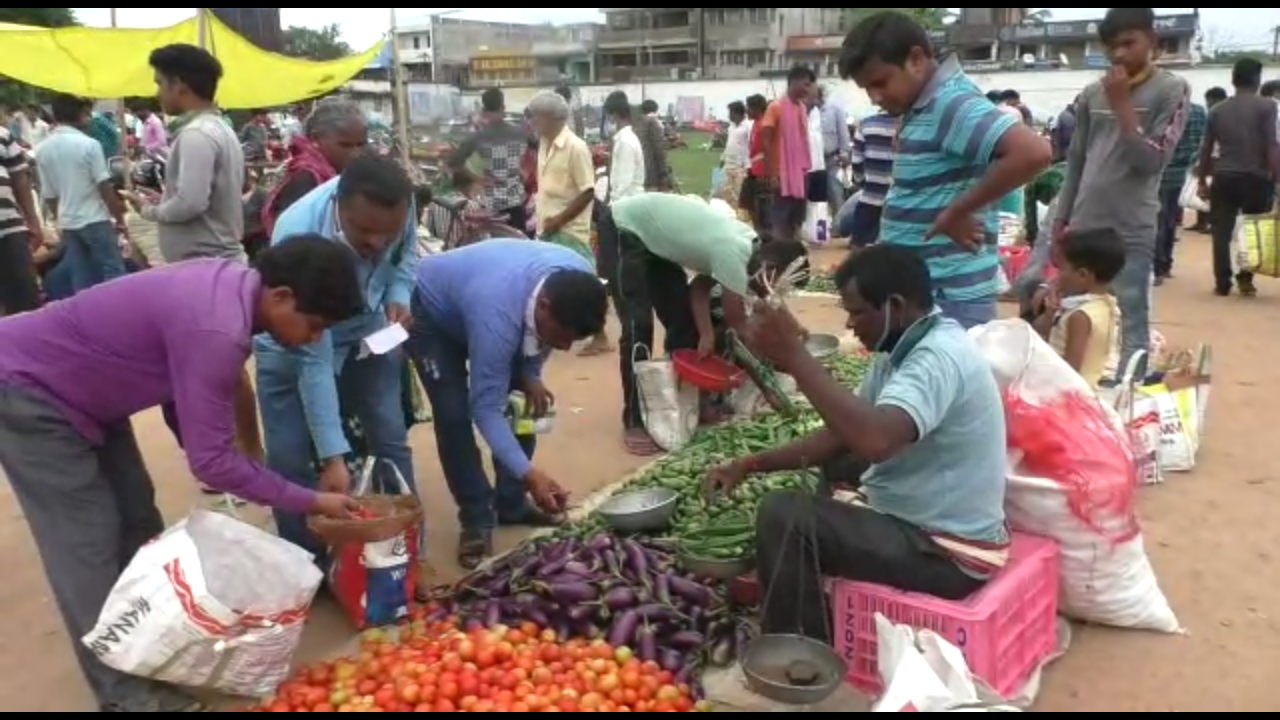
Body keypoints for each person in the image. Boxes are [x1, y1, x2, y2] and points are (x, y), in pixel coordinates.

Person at [0, 236, 364, 712]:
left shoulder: (232, 289)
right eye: (314, 326)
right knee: (87, 544)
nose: (314, 339)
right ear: (281, 297)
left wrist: (226, 452)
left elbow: (194, 390)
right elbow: (211, 462)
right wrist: (311, 501)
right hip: (30, 389)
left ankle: (150, 654)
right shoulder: (218, 329)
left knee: (138, 520)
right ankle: (126, 696)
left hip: (90, 394)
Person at [706, 244, 1007, 642]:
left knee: (784, 517)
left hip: (948, 554)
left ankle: (797, 651)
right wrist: (750, 464)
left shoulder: (937, 359)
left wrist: (795, 356)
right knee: (838, 460)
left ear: (895, 305)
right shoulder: (901, 347)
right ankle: (808, 580)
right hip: (925, 523)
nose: (850, 326)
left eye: (857, 312)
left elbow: (875, 441)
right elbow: (838, 435)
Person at [253, 154, 421, 572]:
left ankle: (405, 550)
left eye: (389, 232)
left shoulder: (401, 202)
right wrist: (332, 456)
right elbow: (313, 359)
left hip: (371, 331)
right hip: (296, 339)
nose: (379, 243)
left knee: (389, 436)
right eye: (365, 232)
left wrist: (398, 294)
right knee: (290, 456)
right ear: (338, 205)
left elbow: (406, 255)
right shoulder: (299, 231)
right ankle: (305, 566)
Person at [839, 11, 1051, 329]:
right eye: (867, 88)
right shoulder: (924, 104)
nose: (875, 97)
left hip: (949, 296)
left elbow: (1034, 152)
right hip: (929, 290)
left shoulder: (949, 103)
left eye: (880, 83)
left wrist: (957, 211)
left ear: (916, 59)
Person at [408, 240, 606, 568]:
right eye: (563, 336)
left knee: (525, 402)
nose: (566, 346)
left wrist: (529, 374)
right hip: (434, 315)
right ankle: (475, 518)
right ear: (543, 306)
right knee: (454, 413)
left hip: (491, 300)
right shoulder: (497, 317)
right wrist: (531, 473)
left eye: (575, 339)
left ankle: (511, 503)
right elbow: (485, 407)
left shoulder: (578, 282)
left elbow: (541, 341)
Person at [610, 192, 808, 455]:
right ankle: (635, 419)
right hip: (626, 226)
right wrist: (769, 387)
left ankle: (689, 401)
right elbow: (741, 329)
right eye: (779, 282)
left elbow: (699, 289)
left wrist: (704, 334)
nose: (775, 291)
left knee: (683, 322)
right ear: (770, 268)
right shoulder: (734, 252)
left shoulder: (750, 247)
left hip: (655, 241)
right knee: (639, 325)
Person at [1055, 9, 1189, 376]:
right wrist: (1060, 223)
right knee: (1075, 317)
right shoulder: (1091, 94)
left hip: (1130, 227)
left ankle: (1130, 398)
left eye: (1129, 44)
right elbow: (1076, 165)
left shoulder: (1171, 90)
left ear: (1153, 43)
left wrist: (1122, 106)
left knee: (1130, 317)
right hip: (1084, 225)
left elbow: (1150, 162)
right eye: (1111, 47)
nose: (1118, 55)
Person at [1197, 58, 1280, 298]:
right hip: (1256, 176)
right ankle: (1245, 279)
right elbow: (1271, 145)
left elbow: (1206, 148)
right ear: (1257, 80)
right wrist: (1277, 178)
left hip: (1224, 175)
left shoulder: (1217, 110)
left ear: (1233, 79)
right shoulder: (1267, 107)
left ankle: (1222, 282)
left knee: (1221, 231)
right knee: (1252, 228)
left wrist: (1202, 179)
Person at [33, 94, 130, 294]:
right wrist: (119, 218)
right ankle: (121, 317)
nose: (89, 119)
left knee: (81, 278)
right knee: (114, 273)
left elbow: (50, 196)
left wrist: (61, 220)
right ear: (80, 114)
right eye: (87, 114)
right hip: (94, 219)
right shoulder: (89, 145)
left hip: (69, 223)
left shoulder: (42, 150)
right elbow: (104, 187)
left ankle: (87, 320)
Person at [262, 97, 369, 238]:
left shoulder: (340, 175)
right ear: (315, 139)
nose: (356, 154)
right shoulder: (306, 178)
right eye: (345, 145)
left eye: (361, 145)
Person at [1032, 228, 1125, 390]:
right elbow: (1037, 330)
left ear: (1082, 274)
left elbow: (1071, 370)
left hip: (1071, 390)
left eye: (1061, 269)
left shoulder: (1080, 316)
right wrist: (1050, 312)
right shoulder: (1107, 302)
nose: (1057, 276)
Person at [449, 88, 530, 232]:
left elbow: (454, 163)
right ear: (503, 108)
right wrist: (525, 172)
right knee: (520, 247)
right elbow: (543, 150)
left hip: (492, 205)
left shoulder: (479, 137)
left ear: (484, 111)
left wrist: (478, 179)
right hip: (516, 200)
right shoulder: (520, 133)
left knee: (494, 247)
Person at [759, 65, 817, 241]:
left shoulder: (801, 107)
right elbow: (766, 141)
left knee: (796, 217)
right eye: (806, 85)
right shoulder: (775, 107)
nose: (808, 89)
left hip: (800, 173)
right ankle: (780, 252)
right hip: (782, 173)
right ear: (794, 82)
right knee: (781, 216)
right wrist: (772, 172)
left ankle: (791, 251)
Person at [1155, 93, 1206, 284]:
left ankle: (1158, 267)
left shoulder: (1165, 111)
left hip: (1160, 171)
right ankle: (1166, 264)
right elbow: (1202, 142)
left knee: (1158, 220)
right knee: (1170, 220)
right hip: (1182, 172)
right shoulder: (1199, 111)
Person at [0, 122, 44, 316]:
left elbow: (20, 178)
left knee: (26, 298)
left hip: (10, 227)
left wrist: (32, 221)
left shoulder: (3, 135)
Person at [837, 110, 896, 246]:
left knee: (860, 249)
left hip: (870, 198)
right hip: (899, 202)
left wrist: (863, 182)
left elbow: (857, 161)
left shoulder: (866, 124)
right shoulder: (908, 123)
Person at [1189, 86, 1230, 233]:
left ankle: (1213, 224)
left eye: (1210, 102)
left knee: (1215, 193)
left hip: (1217, 159)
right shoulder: (1214, 114)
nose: (1208, 105)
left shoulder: (1222, 115)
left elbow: (1213, 143)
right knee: (1203, 190)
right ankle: (1202, 222)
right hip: (1211, 157)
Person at [817, 86, 852, 218]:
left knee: (836, 192)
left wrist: (844, 154)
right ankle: (822, 225)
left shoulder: (834, 110)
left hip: (833, 159)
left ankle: (840, 226)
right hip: (815, 162)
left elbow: (844, 133)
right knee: (818, 198)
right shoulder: (808, 111)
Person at [738, 94, 770, 231]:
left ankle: (762, 232)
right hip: (753, 168)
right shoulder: (756, 124)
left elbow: (768, 150)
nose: (746, 111)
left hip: (762, 171)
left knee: (759, 206)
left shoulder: (764, 125)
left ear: (757, 109)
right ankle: (758, 230)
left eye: (749, 108)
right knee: (746, 203)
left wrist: (766, 172)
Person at [719, 100, 752, 209]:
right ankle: (734, 211)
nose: (729, 116)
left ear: (737, 113)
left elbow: (751, 146)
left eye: (730, 113)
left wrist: (747, 165)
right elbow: (729, 143)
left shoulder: (748, 126)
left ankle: (742, 214)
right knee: (725, 191)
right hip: (728, 163)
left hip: (741, 166)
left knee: (740, 192)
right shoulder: (731, 127)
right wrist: (722, 158)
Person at [636, 99, 671, 191]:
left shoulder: (637, 123)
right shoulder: (654, 122)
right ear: (656, 109)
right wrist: (663, 172)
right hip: (651, 169)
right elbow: (659, 149)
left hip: (637, 169)